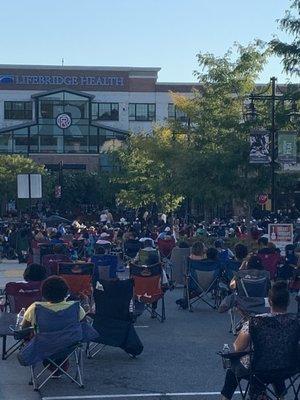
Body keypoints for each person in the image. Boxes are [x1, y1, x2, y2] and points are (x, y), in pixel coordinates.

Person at [220, 281, 297, 400]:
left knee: (234, 366)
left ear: (270, 301)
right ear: (288, 302)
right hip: (289, 367)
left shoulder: (255, 321)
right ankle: (281, 397)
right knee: (277, 361)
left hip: (259, 369)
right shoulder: (296, 321)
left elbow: (238, 348)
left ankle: (226, 397)